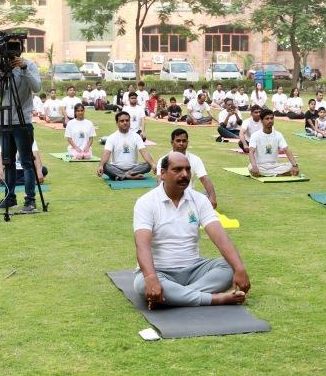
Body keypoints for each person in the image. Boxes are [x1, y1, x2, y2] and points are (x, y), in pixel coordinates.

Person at [133, 152, 250, 309]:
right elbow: (142, 246)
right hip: (161, 271)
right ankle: (214, 299)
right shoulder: (146, 202)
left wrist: (239, 268)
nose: (185, 175)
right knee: (141, 283)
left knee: (229, 267)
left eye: (188, 170)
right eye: (177, 170)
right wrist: (151, 277)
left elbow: (221, 238)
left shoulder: (200, 200)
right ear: (163, 174)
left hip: (194, 269)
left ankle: (171, 297)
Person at [0, 55, 42, 209]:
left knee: (27, 163)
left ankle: (30, 200)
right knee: (8, 163)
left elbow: (37, 87)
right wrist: (2, 73)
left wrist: (24, 68)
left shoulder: (29, 65)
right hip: (5, 121)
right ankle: (9, 198)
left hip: (23, 122)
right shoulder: (1, 66)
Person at [156, 129, 219, 208]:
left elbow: (204, 178)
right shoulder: (164, 160)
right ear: (172, 143)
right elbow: (160, 181)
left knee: (208, 193)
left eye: (184, 141)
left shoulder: (195, 159)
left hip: (189, 197)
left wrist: (213, 198)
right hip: (170, 197)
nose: (181, 143)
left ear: (187, 143)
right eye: (178, 141)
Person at [96, 112, 156, 181]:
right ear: (117, 123)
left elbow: (144, 151)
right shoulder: (112, 137)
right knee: (104, 166)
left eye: (127, 120)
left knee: (148, 165)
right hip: (116, 168)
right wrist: (101, 166)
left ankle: (121, 176)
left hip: (133, 169)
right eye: (122, 121)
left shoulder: (136, 136)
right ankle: (129, 177)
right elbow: (106, 153)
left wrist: (153, 164)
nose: (125, 123)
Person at [0, 139, 47, 213]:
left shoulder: (26, 133)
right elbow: (0, 156)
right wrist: (0, 170)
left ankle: (29, 198)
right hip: (13, 169)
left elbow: (35, 155)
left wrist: (39, 171)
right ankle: (29, 181)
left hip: (25, 170)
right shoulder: (5, 135)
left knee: (43, 170)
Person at [247, 110, 300, 177]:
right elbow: (251, 151)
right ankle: (278, 174)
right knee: (250, 167)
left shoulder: (278, 135)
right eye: (267, 119)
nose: (270, 121)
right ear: (261, 121)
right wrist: (254, 166)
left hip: (274, 166)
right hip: (260, 166)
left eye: (271, 118)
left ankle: (271, 174)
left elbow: (286, 149)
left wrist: (295, 165)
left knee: (290, 165)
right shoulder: (255, 135)